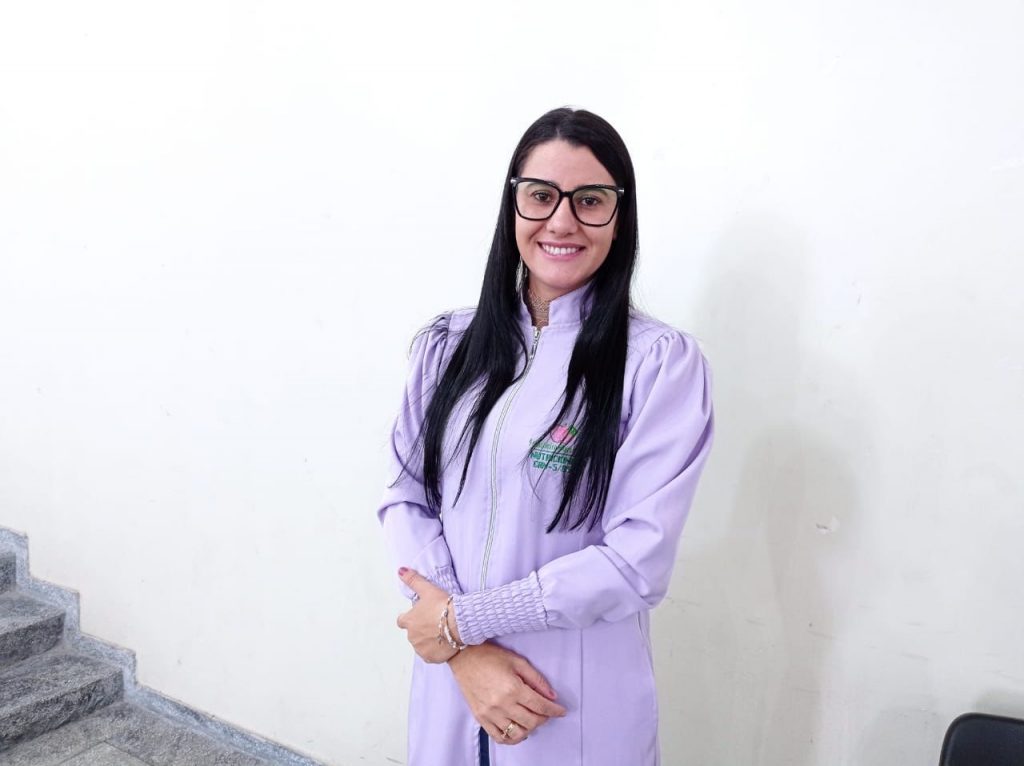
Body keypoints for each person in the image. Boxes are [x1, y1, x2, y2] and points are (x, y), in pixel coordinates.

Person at [377, 107, 715, 766]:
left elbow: (635, 562)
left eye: (589, 200)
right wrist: (463, 650)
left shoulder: (658, 365)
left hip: (569, 702)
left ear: (619, 217)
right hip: (452, 689)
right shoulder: (448, 346)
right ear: (514, 205)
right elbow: (405, 499)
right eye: (541, 195)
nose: (561, 221)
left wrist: (460, 623)